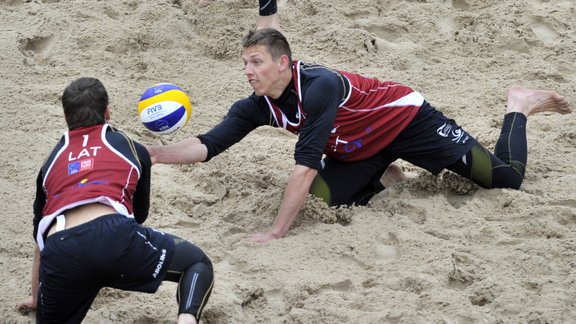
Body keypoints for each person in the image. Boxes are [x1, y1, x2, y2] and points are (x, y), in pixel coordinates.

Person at [147, 0, 572, 243]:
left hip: (408, 121)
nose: (247, 71)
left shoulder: (320, 86)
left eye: (255, 63)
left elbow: (305, 163)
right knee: (322, 201)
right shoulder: (256, 104)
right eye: (244, 63)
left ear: (283, 64)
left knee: (504, 179)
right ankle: (385, 174)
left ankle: (519, 105)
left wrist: (277, 233)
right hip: (363, 146)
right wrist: (152, 154)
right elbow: (206, 145)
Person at [16, 77, 214, 324]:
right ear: (108, 111)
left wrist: (37, 298)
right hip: (114, 236)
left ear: (66, 118)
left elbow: (40, 241)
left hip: (62, 249)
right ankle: (186, 320)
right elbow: (138, 215)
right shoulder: (131, 147)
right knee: (197, 263)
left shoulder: (49, 164)